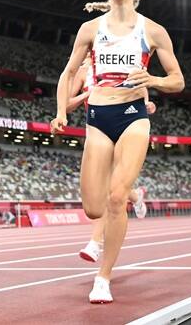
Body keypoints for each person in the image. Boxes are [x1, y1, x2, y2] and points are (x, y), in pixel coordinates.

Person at [52, 0, 184, 304]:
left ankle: (103, 277)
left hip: (133, 116)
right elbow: (68, 73)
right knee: (94, 208)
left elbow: (178, 80)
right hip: (97, 117)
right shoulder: (90, 29)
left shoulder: (153, 31)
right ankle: (134, 196)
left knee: (114, 198)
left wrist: (153, 79)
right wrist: (60, 111)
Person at [65, 53, 153, 263]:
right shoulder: (82, 72)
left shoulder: (116, 60)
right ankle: (136, 196)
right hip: (96, 128)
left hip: (124, 124)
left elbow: (140, 84)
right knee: (106, 190)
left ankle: (96, 243)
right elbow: (67, 104)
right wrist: (87, 95)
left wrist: (147, 103)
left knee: (109, 190)